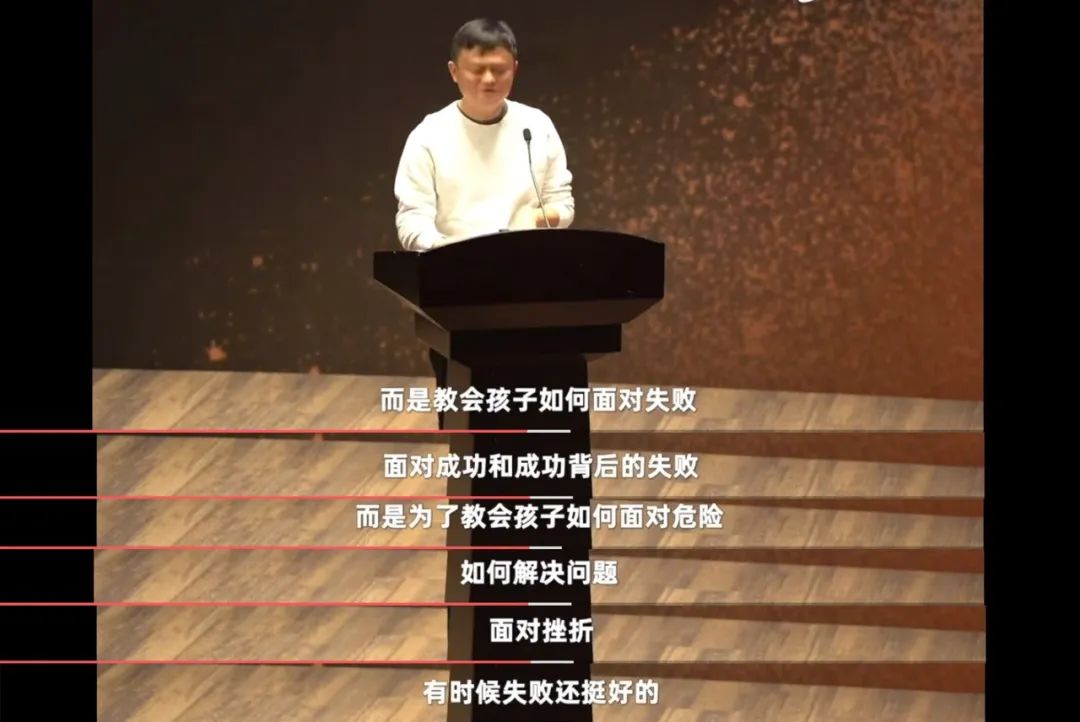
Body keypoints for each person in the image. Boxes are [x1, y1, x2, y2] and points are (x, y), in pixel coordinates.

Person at [393, 18, 575, 427]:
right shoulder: (428, 137)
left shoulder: (536, 127)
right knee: (475, 427)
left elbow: (562, 202)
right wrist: (455, 255)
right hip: (459, 296)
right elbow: (412, 221)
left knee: (539, 422)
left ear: (515, 69)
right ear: (454, 72)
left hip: (530, 293)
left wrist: (535, 218)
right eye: (477, 70)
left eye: (499, 69)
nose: (489, 80)